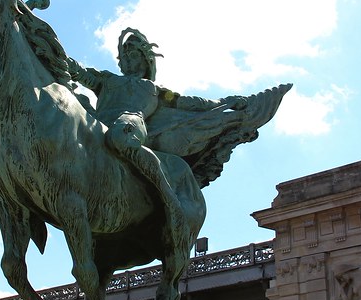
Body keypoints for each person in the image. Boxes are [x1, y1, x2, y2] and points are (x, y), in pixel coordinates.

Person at [67, 28, 247, 244]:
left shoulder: (153, 89)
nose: (129, 62)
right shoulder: (107, 80)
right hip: (98, 121)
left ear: (146, 60)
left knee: (120, 134)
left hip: (131, 121)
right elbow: (78, 71)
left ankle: (168, 196)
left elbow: (190, 103)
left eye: (134, 55)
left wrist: (224, 102)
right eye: (126, 57)